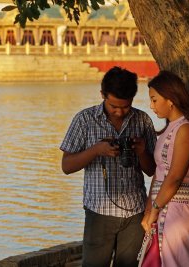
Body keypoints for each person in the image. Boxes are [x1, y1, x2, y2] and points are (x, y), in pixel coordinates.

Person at [60, 66, 157, 267]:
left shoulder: (142, 120)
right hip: (99, 211)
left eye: (126, 106)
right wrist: (96, 150)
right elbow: (66, 166)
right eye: (114, 106)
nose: (120, 112)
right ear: (102, 95)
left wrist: (141, 151)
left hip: (135, 211)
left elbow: (152, 170)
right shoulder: (85, 120)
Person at [142, 70, 189, 267]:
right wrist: (148, 209)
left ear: (170, 100)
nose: (151, 106)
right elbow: (159, 173)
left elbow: (175, 177)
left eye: (154, 100)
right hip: (163, 203)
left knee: (178, 261)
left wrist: (155, 210)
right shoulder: (170, 128)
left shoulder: (186, 129)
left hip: (178, 206)